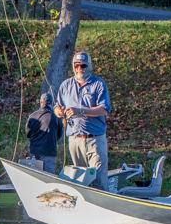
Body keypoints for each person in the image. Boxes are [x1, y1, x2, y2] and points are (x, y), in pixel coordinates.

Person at [54, 51, 112, 190]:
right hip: (74, 140)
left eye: (83, 66)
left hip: (94, 140)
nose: (80, 69)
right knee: (80, 181)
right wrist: (59, 112)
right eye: (77, 65)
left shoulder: (98, 84)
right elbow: (57, 107)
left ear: (89, 66)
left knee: (98, 181)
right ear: (73, 66)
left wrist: (80, 110)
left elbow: (103, 110)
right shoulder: (65, 85)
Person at [26, 92, 63, 173]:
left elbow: (28, 134)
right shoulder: (56, 117)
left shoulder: (32, 116)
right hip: (49, 153)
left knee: (33, 177)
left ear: (40, 102)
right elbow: (59, 135)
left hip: (34, 153)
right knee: (48, 178)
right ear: (52, 103)